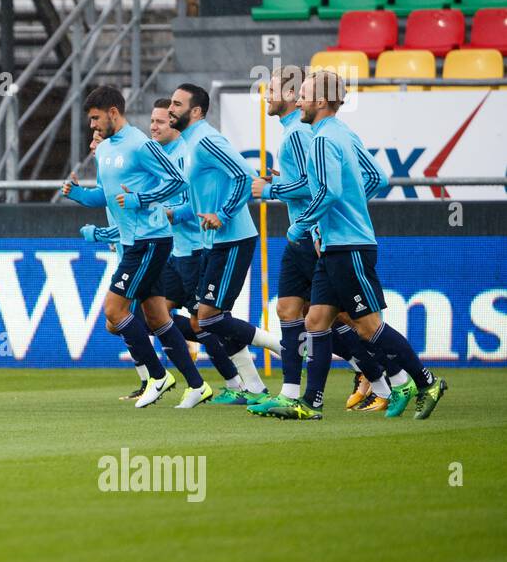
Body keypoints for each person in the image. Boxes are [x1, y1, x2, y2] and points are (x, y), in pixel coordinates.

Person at [263, 70, 446, 420]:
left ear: (319, 101)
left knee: (367, 326)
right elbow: (378, 176)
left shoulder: (320, 139)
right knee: (316, 320)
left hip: (348, 246)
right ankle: (311, 402)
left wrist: (300, 226)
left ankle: (426, 381)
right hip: (337, 243)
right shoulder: (341, 132)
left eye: (303, 95)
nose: (298, 101)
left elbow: (327, 193)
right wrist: (352, 205)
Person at [63, 86, 212, 409]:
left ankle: (158, 376)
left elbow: (178, 180)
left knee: (114, 312)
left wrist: (141, 199)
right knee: (157, 317)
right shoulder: (103, 150)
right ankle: (197, 385)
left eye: (95, 118)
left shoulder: (140, 144)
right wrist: (77, 193)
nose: (92, 126)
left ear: (113, 113)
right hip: (133, 242)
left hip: (150, 240)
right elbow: (105, 194)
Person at [165, 83, 282, 405]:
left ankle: (282, 346)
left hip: (233, 238)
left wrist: (223, 213)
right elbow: (203, 198)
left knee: (210, 318)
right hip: (215, 240)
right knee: (210, 319)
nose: (171, 109)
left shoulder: (206, 139)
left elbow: (244, 176)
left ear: (197, 111)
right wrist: (173, 215)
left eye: (177, 104)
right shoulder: (190, 143)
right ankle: (254, 388)